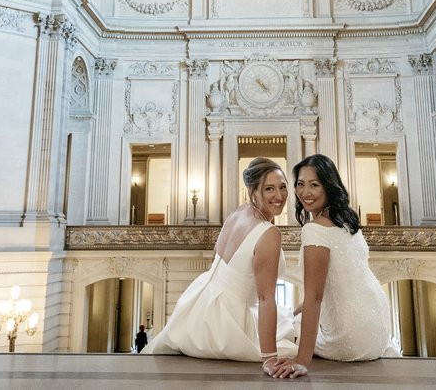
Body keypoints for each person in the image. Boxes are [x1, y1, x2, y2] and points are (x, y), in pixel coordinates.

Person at [142, 157, 297, 372]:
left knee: (289, 320)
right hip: (226, 325)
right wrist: (269, 359)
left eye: (283, 187)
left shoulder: (237, 213)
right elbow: (265, 298)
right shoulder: (269, 233)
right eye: (269, 189)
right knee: (298, 340)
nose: (279, 196)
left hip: (199, 307)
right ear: (253, 191)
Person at [271, 154, 400, 378]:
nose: (305, 193)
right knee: (295, 315)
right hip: (378, 326)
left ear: (329, 185)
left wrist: (302, 360)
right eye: (300, 184)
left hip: (352, 338)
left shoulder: (315, 229)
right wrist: (300, 307)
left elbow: (315, 298)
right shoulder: (348, 220)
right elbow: (342, 278)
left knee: (290, 327)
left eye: (314, 185)